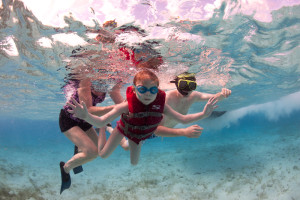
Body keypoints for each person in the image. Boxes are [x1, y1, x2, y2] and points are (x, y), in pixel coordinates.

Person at [67, 70, 218, 168]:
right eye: (142, 89)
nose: (148, 94)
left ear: (158, 91)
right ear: (133, 89)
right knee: (103, 155)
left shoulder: (162, 106)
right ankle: (102, 131)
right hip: (123, 129)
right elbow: (100, 120)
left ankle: (108, 129)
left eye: (152, 90)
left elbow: (183, 119)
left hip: (138, 136)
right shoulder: (126, 106)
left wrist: (204, 114)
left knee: (134, 163)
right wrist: (87, 116)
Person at [154, 72, 231, 137]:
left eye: (191, 85)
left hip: (161, 135)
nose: (187, 89)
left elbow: (214, 97)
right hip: (149, 133)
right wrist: (184, 132)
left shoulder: (193, 96)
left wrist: (223, 94)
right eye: (183, 84)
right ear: (177, 84)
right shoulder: (166, 98)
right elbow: (157, 130)